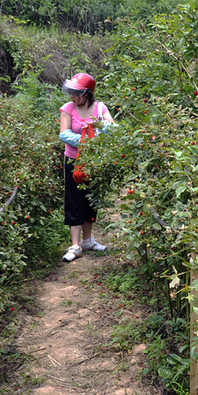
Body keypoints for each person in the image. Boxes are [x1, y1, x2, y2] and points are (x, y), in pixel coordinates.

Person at [58, 73, 115, 262]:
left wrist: (102, 129)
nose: (72, 96)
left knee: (90, 199)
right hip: (73, 161)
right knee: (74, 199)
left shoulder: (99, 108)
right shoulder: (68, 108)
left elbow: (114, 127)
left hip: (93, 161)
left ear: (87, 94)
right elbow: (64, 134)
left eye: (76, 92)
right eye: (71, 92)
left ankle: (88, 240)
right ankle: (75, 245)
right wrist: (86, 140)